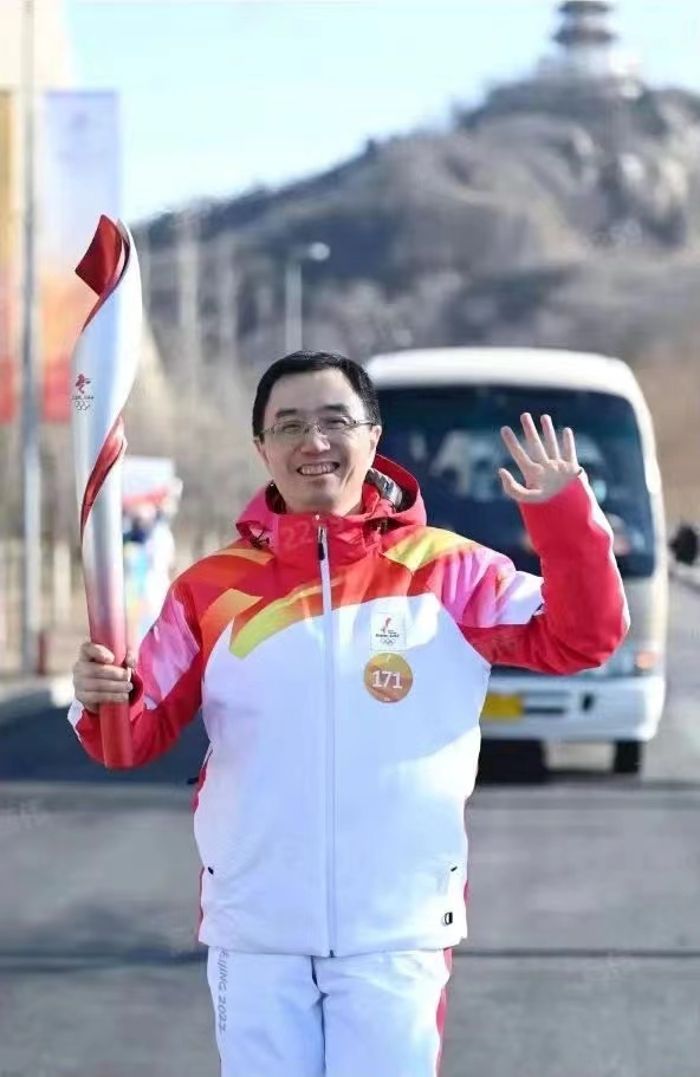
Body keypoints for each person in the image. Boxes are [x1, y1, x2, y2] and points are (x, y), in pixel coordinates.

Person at [68, 350, 628, 1077]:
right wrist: (100, 696)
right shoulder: (210, 591)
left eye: (335, 421)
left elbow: (584, 637)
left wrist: (566, 520)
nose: (314, 442)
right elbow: (128, 740)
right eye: (289, 425)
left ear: (372, 435)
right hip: (256, 929)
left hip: (397, 927)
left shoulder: (449, 571)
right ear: (262, 448)